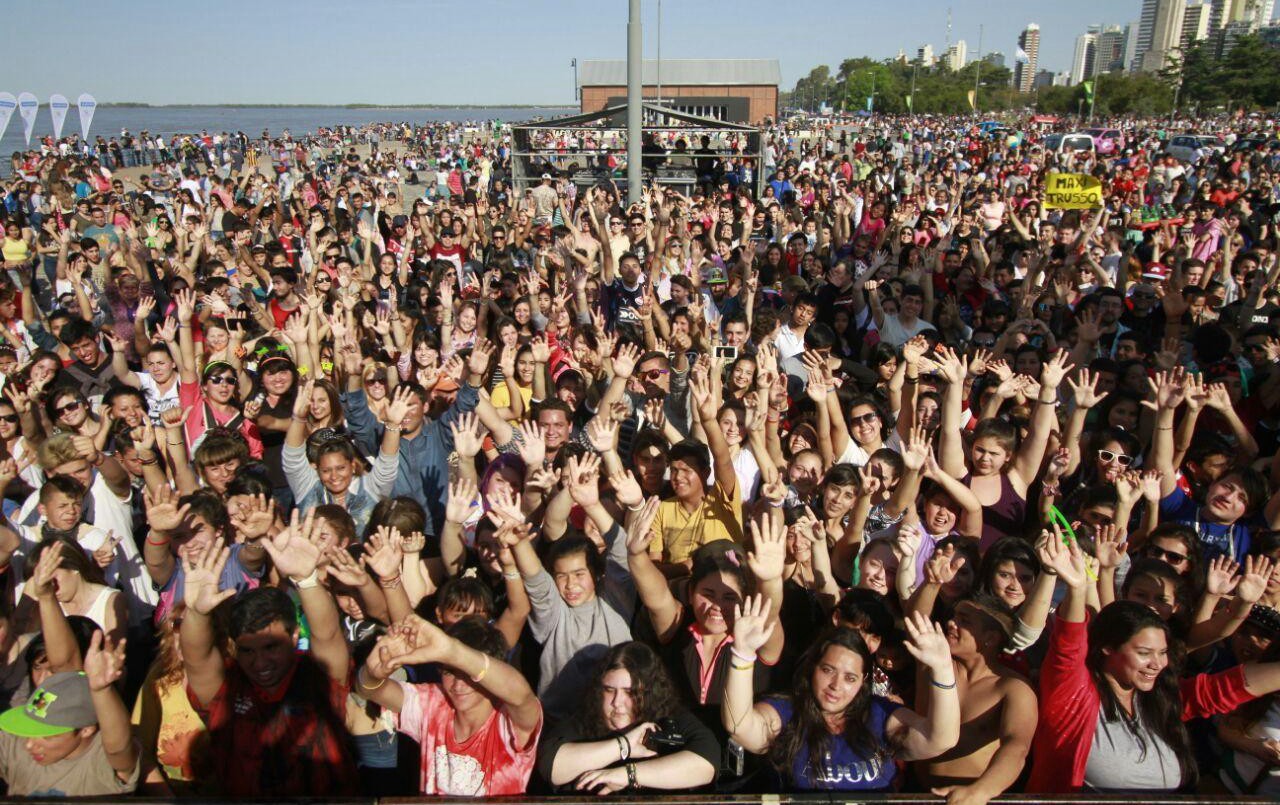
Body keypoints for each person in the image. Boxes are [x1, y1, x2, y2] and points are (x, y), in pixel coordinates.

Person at [721, 605, 960, 791]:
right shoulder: (787, 710)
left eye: (850, 678)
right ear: (813, 668)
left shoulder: (879, 713)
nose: (836, 686)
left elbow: (940, 739)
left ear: (864, 680)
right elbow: (739, 725)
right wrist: (742, 655)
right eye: (828, 670)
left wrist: (942, 670)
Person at [355, 613, 543, 796]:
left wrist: (452, 652)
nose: (458, 685)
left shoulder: (509, 720)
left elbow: (522, 696)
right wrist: (373, 672)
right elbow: (371, 689)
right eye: (450, 672)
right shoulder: (433, 702)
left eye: (469, 675)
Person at [537, 641, 719, 794]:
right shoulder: (586, 718)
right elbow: (551, 767)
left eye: (630, 692)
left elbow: (707, 763)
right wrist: (623, 747)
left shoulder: (668, 715)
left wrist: (627, 775)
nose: (617, 702)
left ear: (649, 693)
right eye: (609, 690)